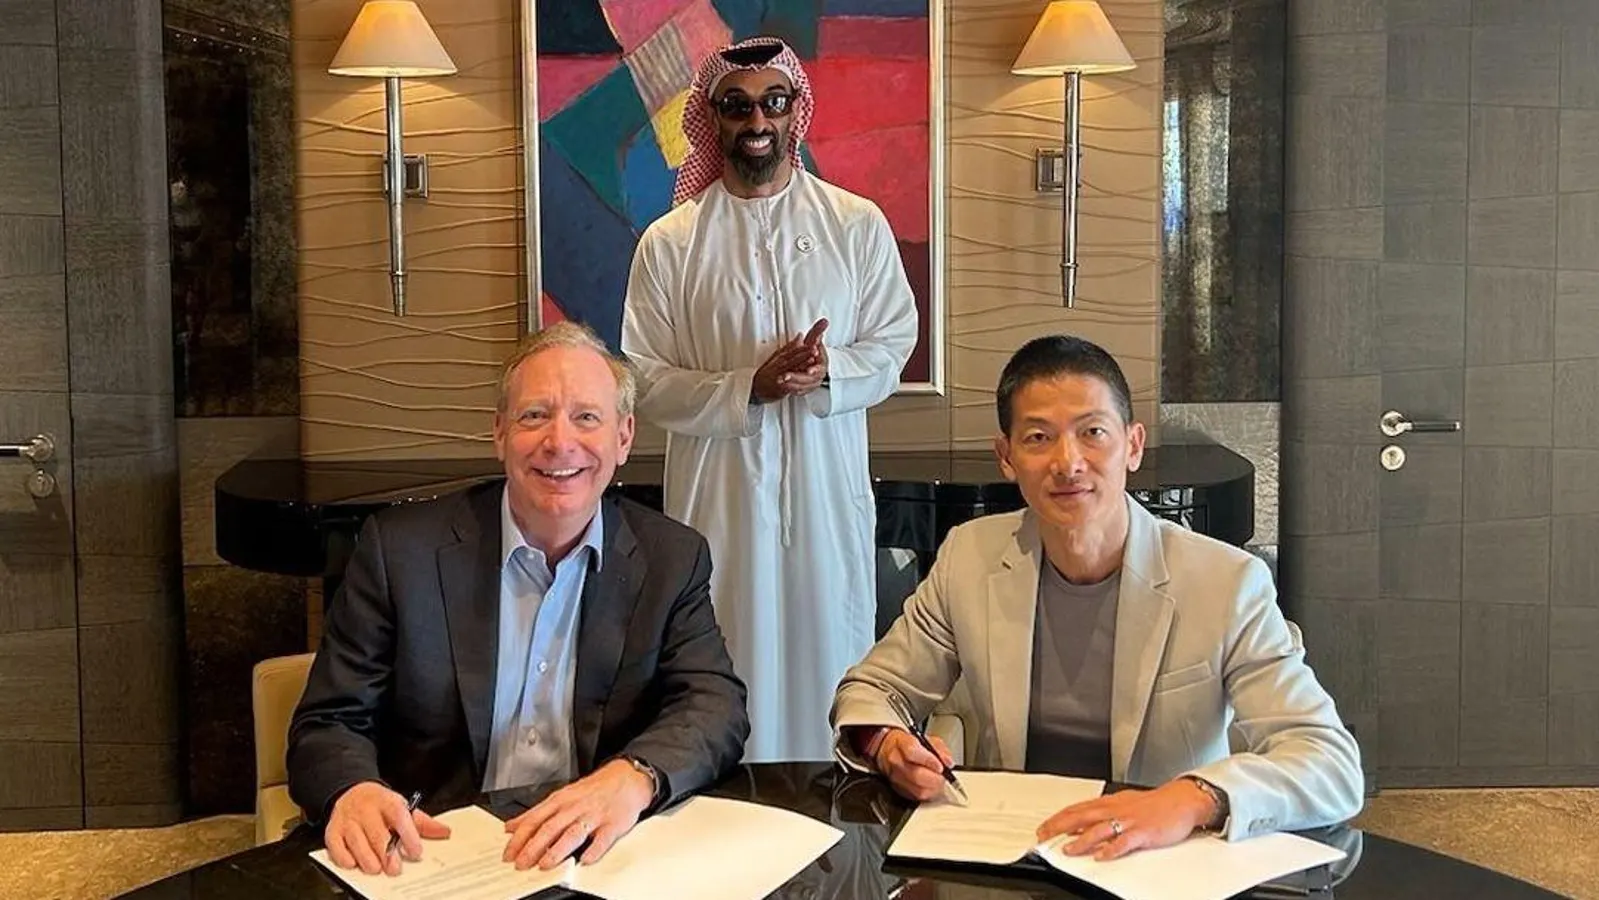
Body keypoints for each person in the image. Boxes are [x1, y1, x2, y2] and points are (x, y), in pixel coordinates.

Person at [830, 335, 1363, 859]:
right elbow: (874, 688)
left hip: (1156, 862)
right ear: (1006, 456)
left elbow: (1329, 763)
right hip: (1018, 852)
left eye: (1093, 433)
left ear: (1132, 445)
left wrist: (1190, 799)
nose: (1068, 463)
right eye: (1038, 438)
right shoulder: (971, 556)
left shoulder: (1225, 582)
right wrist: (887, 742)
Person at [288, 322, 749, 876]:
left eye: (587, 417)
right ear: (500, 432)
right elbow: (328, 722)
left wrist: (632, 776)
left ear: (623, 438)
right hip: (434, 857)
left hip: (594, 860)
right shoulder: (401, 551)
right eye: (535, 415)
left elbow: (714, 705)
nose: (560, 442)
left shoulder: (672, 558)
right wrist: (353, 789)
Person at [620, 35, 919, 762]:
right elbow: (644, 378)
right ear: (712, 119)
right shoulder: (670, 242)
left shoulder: (855, 225)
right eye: (737, 105)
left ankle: (834, 818)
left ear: (794, 113)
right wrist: (744, 388)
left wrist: (826, 374)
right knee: (723, 648)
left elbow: (893, 339)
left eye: (772, 102)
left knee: (830, 653)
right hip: (719, 499)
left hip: (824, 494)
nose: (756, 119)